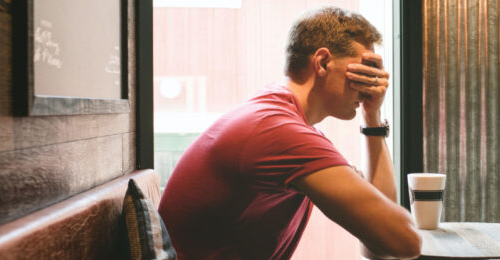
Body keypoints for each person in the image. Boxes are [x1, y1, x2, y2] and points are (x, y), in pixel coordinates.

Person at [158, 6, 421, 260]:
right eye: (365, 72)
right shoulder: (280, 133)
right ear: (323, 62)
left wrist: (372, 117)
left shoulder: (278, 118)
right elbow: (403, 241)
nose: (370, 87)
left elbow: (379, 245)